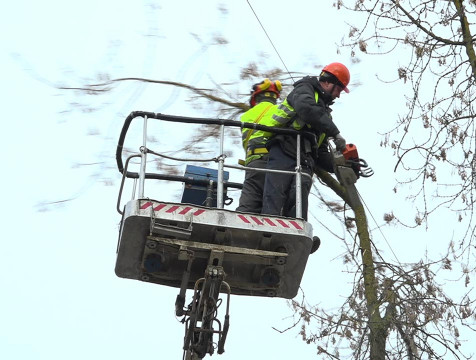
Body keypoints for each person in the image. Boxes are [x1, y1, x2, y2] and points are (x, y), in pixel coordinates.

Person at [261, 62, 350, 221]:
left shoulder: (325, 116)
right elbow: (306, 108)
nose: (338, 95)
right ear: (328, 82)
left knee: (298, 204)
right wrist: (335, 133)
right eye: (339, 89)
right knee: (275, 197)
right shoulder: (304, 89)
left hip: (305, 160)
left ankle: (294, 238)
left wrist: (345, 165)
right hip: (284, 149)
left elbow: (321, 153)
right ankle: (269, 231)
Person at [236, 79, 282, 213]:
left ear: (255, 97)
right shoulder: (280, 110)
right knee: (274, 208)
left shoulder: (246, 115)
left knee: (248, 206)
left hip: (253, 163)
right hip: (274, 163)